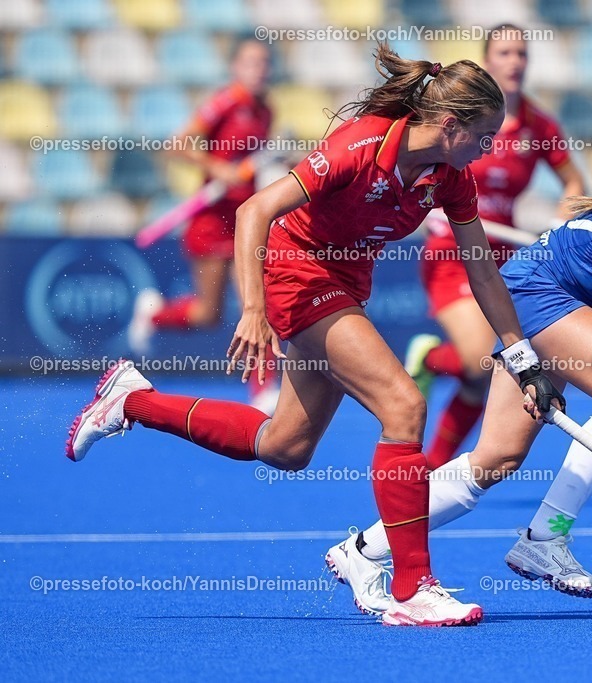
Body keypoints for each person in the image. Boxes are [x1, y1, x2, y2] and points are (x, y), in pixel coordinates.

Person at [66, 42, 563, 628]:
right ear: (450, 125)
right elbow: (255, 210)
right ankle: (411, 587)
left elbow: (481, 266)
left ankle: (132, 399)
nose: (491, 148)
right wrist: (252, 309)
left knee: (286, 447)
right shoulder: (359, 144)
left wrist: (520, 353)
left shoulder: (450, 179)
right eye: (484, 136)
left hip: (346, 284)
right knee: (403, 405)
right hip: (296, 275)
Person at [328, 130, 592, 615]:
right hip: (537, 296)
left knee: (496, 459)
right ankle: (546, 539)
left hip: (552, 303)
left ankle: (361, 549)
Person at [406, 24, 584, 470]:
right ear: (489, 60)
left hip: (499, 255)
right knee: (482, 361)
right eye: (505, 53)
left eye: (522, 53)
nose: (515, 62)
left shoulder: (540, 125)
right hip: (452, 249)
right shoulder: (465, 119)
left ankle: (433, 467)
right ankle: (428, 357)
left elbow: (574, 182)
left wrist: (564, 218)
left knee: (480, 375)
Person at [128, 38, 280, 413]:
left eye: (264, 63)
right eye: (250, 62)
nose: (259, 70)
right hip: (212, 221)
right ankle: (154, 315)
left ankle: (264, 391)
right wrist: (218, 169)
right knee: (206, 314)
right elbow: (178, 145)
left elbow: (252, 162)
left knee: (256, 302)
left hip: (246, 218)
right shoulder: (225, 102)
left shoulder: (266, 112)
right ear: (235, 67)